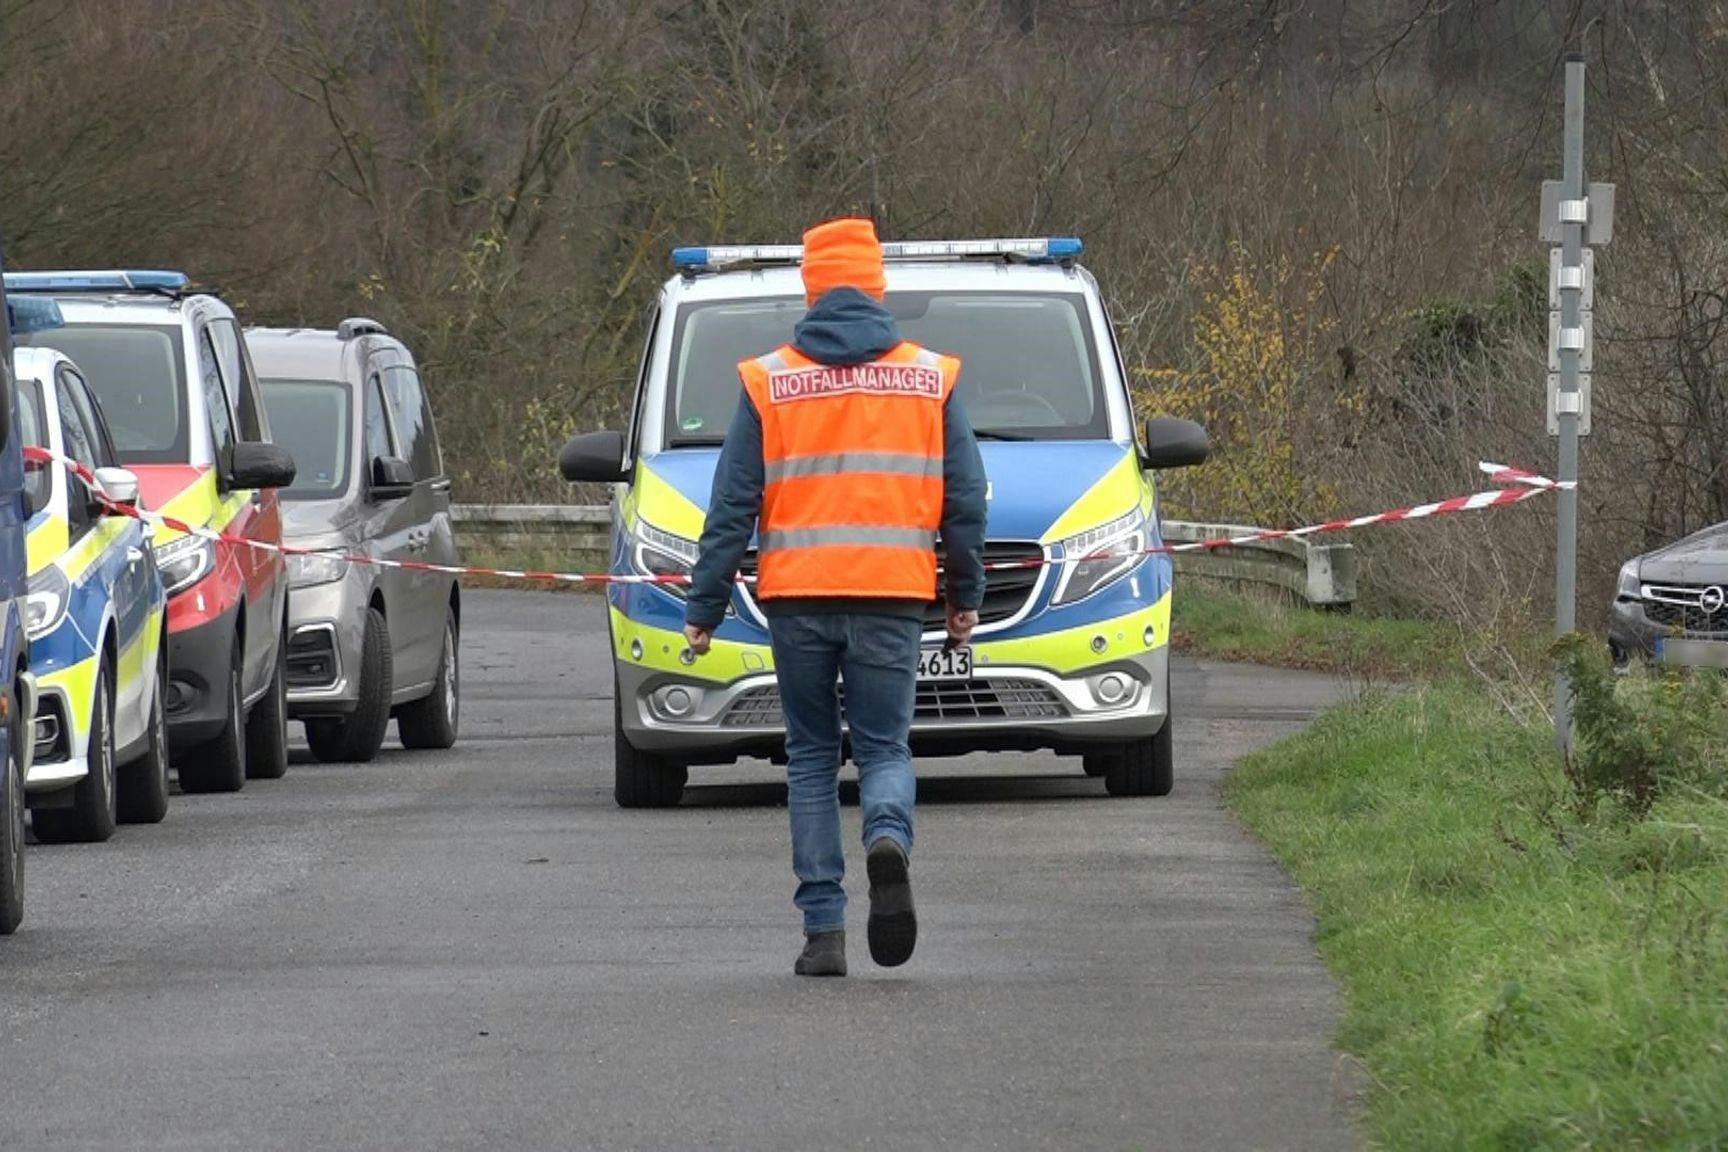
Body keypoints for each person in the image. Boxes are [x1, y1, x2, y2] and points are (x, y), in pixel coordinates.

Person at [683, 217, 988, 977]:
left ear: (811, 288)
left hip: (798, 599)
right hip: (891, 596)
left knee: (813, 758)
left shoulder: (769, 380)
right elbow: (966, 500)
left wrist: (704, 608)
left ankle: (824, 932)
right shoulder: (932, 376)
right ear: (878, 285)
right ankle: (887, 835)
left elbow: (731, 507)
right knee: (885, 746)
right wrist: (964, 594)